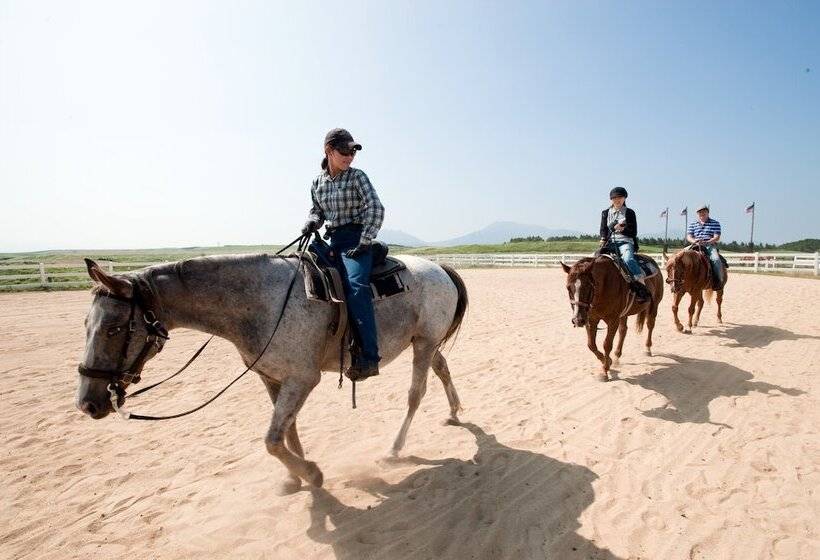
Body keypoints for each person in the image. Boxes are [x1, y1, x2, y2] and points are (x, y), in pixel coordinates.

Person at [301, 128, 385, 381]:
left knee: (356, 287)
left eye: (352, 152)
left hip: (357, 239)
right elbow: (316, 210)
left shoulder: (358, 177)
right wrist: (312, 221)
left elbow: (376, 208)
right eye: (345, 151)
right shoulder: (317, 182)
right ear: (329, 151)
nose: (350, 157)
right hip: (332, 240)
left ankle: (369, 357)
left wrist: (365, 240)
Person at [599, 187, 650, 302]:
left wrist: (622, 229)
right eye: (614, 198)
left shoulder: (630, 212)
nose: (617, 200)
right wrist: (603, 239)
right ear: (611, 199)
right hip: (610, 242)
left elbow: (634, 232)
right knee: (595, 258)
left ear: (624, 198)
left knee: (628, 259)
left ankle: (641, 285)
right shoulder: (605, 213)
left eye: (620, 197)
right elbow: (603, 229)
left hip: (625, 242)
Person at [686, 204, 725, 289]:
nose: (702, 214)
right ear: (697, 214)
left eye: (704, 212)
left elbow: (717, 237)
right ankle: (680, 279)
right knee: (680, 255)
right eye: (700, 212)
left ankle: (718, 280)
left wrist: (707, 241)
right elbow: (689, 237)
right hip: (695, 244)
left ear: (708, 213)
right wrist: (694, 241)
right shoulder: (693, 224)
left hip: (709, 245)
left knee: (716, 259)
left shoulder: (715, 223)